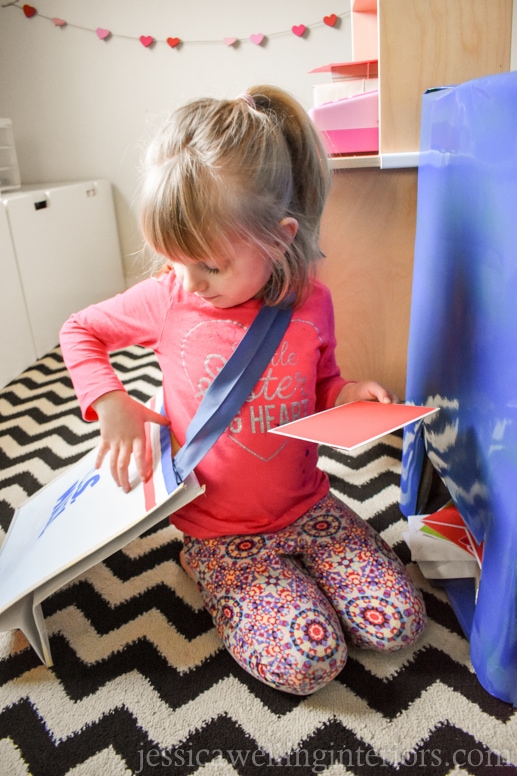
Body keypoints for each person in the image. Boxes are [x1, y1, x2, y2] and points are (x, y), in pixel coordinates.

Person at [60, 85, 426, 695]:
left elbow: (324, 381)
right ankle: (206, 569)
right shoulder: (168, 299)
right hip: (220, 528)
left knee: (398, 624)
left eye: (210, 264)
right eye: (172, 260)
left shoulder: (312, 303)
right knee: (309, 661)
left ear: (280, 238)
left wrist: (348, 394)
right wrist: (111, 404)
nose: (189, 282)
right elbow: (81, 330)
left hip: (307, 503)